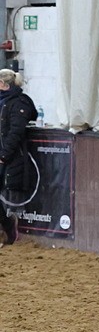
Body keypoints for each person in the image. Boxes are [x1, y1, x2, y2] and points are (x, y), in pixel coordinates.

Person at [0, 68, 37, 244]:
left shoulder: (19, 103)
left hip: (8, 156)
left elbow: (15, 132)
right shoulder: (6, 102)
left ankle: (8, 226)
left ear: (3, 84)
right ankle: (7, 226)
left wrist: (3, 155)